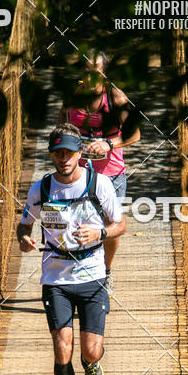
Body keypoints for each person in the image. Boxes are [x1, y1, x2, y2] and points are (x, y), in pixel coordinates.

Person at [17, 123, 127, 375]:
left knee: (90, 350)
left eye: (68, 152)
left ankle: (91, 364)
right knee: (61, 347)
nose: (63, 158)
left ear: (80, 153)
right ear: (52, 155)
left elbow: (121, 224)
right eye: (57, 153)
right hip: (56, 279)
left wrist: (100, 234)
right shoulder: (41, 189)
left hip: (92, 275)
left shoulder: (99, 184)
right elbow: (24, 224)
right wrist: (24, 239)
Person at [57, 50, 140, 298]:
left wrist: (108, 144)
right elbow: (60, 127)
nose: (91, 76)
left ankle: (106, 272)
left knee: (110, 225)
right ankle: (79, 273)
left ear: (104, 73)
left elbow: (135, 134)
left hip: (111, 173)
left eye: (96, 71)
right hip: (78, 172)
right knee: (76, 220)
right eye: (86, 71)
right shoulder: (73, 96)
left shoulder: (115, 98)